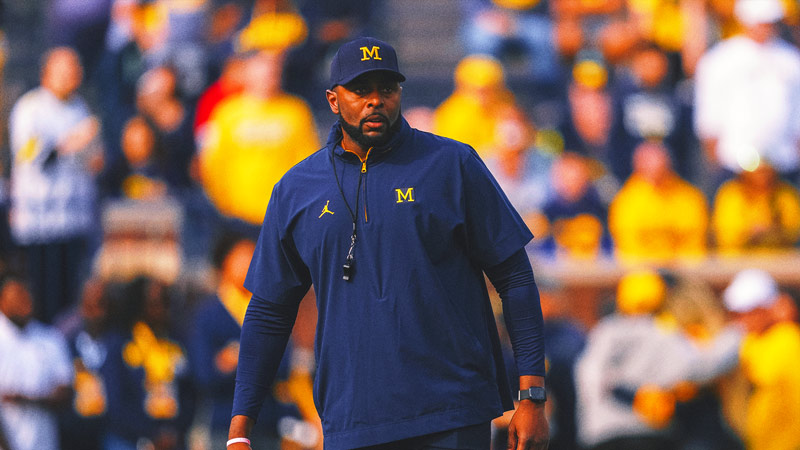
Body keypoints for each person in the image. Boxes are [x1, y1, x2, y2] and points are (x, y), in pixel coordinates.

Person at [228, 37, 549, 450]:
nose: (375, 100)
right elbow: (270, 310)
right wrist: (240, 428)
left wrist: (532, 394)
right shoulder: (296, 189)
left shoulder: (452, 164)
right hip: (351, 418)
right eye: (361, 90)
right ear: (332, 100)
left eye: (387, 88)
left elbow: (515, 277)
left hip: (452, 409)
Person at [8, 46, 104, 323]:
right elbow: (30, 156)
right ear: (46, 73)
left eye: (75, 69)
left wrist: (94, 156)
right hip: (40, 225)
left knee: (70, 301)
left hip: (73, 222)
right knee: (43, 301)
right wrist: (71, 142)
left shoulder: (80, 108)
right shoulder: (30, 109)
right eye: (64, 70)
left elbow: (91, 161)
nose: (71, 75)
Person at [693, 0, 800, 183]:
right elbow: (708, 115)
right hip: (732, 161)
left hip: (783, 160)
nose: (763, 27)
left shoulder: (791, 60)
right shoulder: (721, 58)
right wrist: (715, 161)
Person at [721, 269, 800, 450]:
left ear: (767, 308)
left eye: (750, 312)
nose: (743, 320)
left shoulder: (788, 341)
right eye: (738, 313)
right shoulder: (750, 341)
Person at [0, 273, 75, 450]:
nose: (26, 300)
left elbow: (66, 393)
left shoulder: (50, 338)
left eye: (28, 293)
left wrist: (27, 399)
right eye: (18, 294)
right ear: (2, 301)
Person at [608, 140, 708, 263]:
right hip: (641, 269)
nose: (654, 172)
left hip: (682, 267)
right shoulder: (626, 201)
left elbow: (693, 245)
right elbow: (628, 248)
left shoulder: (689, 198)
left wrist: (676, 266)